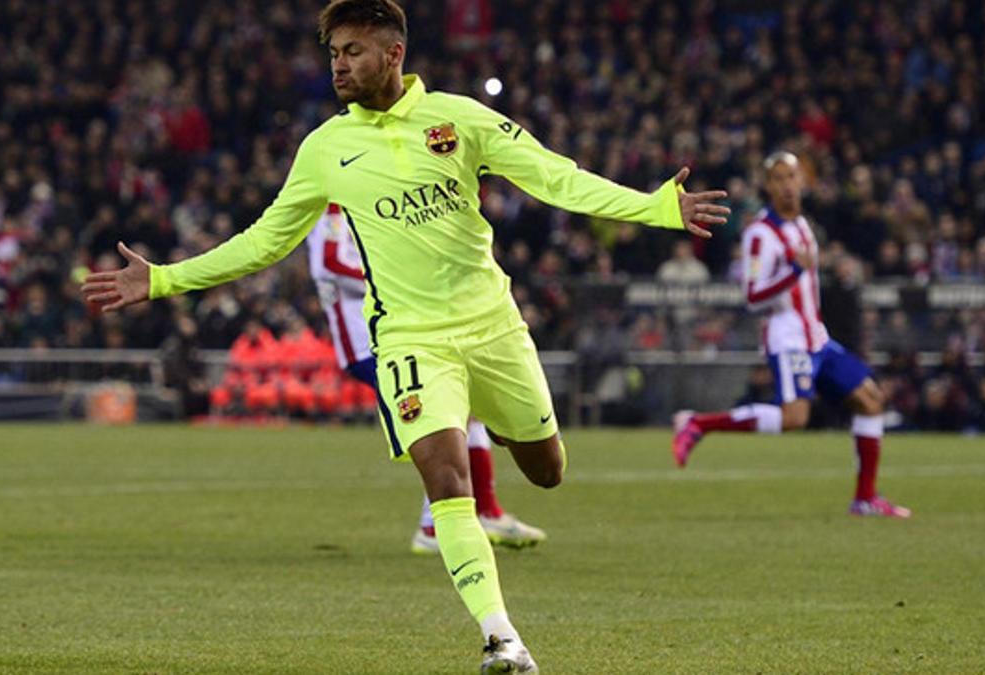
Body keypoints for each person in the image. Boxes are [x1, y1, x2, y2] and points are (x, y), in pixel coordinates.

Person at [82, 1, 728, 670]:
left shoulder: (461, 118)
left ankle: (504, 422)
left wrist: (654, 207)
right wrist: (163, 280)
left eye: (353, 51)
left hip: (493, 325)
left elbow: (554, 176)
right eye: (333, 52)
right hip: (410, 340)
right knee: (448, 481)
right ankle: (502, 637)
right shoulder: (325, 149)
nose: (339, 64)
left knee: (547, 470)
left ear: (394, 54)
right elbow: (265, 240)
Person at [672, 152, 910, 519]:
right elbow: (753, 296)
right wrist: (794, 273)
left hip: (817, 337)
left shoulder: (802, 225)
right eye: (779, 178)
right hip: (788, 340)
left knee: (871, 400)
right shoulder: (759, 234)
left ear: (803, 181)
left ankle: (865, 499)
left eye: (792, 176)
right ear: (769, 186)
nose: (787, 184)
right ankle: (699, 423)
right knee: (795, 418)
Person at [306, 203, 546, 554]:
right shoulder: (333, 211)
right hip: (366, 342)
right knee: (446, 415)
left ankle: (479, 513)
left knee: (462, 410)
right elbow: (330, 263)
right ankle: (440, 524)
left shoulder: (363, 202)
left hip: (399, 333)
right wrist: (396, 277)